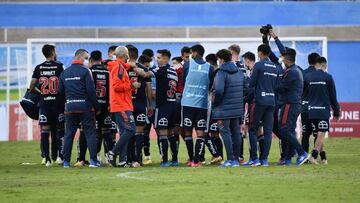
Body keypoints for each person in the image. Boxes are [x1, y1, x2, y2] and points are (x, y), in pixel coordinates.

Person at [134, 49, 179, 167]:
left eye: (158, 58)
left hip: (163, 106)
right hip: (173, 104)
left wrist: (133, 67)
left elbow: (145, 74)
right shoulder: (173, 70)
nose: (157, 60)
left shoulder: (161, 69)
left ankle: (164, 161)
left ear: (165, 59)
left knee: (162, 133)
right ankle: (175, 159)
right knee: (171, 133)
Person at [58, 49, 100, 168]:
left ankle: (66, 162)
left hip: (70, 107)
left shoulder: (64, 73)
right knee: (90, 133)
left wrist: (66, 106)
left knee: (69, 135)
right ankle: (93, 161)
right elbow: (91, 91)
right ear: (80, 57)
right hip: (85, 107)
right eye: (86, 58)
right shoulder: (86, 71)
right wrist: (97, 107)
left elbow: (60, 93)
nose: (87, 60)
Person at [181, 44, 219, 167]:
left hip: (187, 103)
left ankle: (191, 159)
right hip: (202, 104)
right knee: (200, 133)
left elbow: (183, 81)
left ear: (195, 53)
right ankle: (197, 161)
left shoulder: (187, 64)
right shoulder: (210, 68)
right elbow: (210, 86)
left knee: (187, 132)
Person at [29, 44, 65, 167]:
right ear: (53, 52)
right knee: (60, 129)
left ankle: (47, 160)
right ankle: (60, 157)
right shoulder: (59, 66)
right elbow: (64, 83)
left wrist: (42, 94)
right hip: (57, 103)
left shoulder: (38, 68)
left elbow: (31, 87)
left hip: (44, 103)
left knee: (45, 131)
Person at [243, 44, 278, 167]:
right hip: (271, 101)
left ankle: (254, 159)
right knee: (268, 132)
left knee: (252, 129)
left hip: (259, 102)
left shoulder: (258, 65)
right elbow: (277, 86)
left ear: (260, 53)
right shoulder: (275, 67)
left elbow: (252, 84)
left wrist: (246, 98)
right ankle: (264, 160)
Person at [106, 46, 140, 168]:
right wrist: (131, 85)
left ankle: (122, 161)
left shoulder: (118, 66)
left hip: (121, 104)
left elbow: (122, 68)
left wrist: (130, 65)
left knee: (124, 132)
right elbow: (116, 86)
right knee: (131, 129)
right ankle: (112, 152)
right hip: (121, 104)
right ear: (124, 55)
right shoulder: (118, 68)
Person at [276, 48, 310, 166]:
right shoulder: (295, 70)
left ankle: (301, 153)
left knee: (285, 129)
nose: (281, 60)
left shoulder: (291, 72)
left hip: (290, 104)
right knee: (288, 130)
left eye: (283, 58)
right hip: (294, 104)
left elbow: (281, 87)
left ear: (286, 59)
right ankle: (287, 158)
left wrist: (273, 80)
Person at [305, 57, 340, 165]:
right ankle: (314, 156)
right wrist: (336, 112)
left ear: (316, 65)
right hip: (323, 111)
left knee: (318, 134)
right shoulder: (328, 77)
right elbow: (333, 97)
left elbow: (304, 94)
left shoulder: (308, 77)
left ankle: (323, 157)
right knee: (321, 134)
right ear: (324, 65)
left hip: (311, 111)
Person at [212, 49, 244, 167]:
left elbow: (219, 90)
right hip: (237, 108)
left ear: (222, 59)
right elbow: (244, 88)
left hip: (223, 109)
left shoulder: (221, 72)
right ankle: (236, 159)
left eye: (218, 59)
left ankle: (230, 159)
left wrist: (216, 102)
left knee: (225, 133)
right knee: (236, 133)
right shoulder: (239, 72)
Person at [127, 47, 153, 167]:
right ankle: (138, 160)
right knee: (139, 132)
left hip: (127, 104)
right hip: (140, 104)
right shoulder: (143, 69)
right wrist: (149, 105)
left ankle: (128, 159)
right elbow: (148, 89)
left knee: (127, 131)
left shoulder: (122, 68)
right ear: (137, 56)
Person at [89, 51, 113, 165]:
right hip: (106, 105)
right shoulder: (107, 71)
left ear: (91, 60)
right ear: (101, 59)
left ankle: (96, 157)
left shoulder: (90, 71)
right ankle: (109, 157)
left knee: (94, 132)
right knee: (106, 131)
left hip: (93, 106)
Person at [301, 53, 321, 153]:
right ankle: (315, 155)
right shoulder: (320, 74)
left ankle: (304, 156)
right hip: (316, 108)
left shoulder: (303, 73)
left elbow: (300, 90)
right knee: (317, 133)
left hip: (304, 108)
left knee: (305, 134)